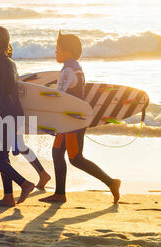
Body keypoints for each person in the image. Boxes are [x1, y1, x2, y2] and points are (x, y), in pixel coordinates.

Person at [39, 31, 121, 204]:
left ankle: (111, 182)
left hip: (72, 121)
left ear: (67, 51)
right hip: (69, 119)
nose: (55, 52)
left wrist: (43, 100)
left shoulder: (67, 71)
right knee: (57, 153)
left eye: (58, 49)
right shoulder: (77, 67)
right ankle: (60, 194)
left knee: (76, 159)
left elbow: (59, 96)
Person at [0, 43, 51, 190]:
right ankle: (41, 173)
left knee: (0, 150)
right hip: (14, 114)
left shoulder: (1, 68)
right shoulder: (10, 66)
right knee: (13, 147)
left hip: (7, 114)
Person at [0, 26, 35, 207]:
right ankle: (8, 197)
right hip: (13, 115)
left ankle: (24, 183)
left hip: (5, 116)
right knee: (2, 157)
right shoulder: (10, 63)